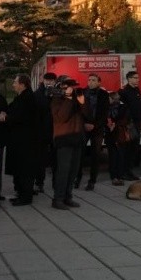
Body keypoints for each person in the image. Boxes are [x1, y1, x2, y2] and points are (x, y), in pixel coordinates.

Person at [51, 77, 89, 209]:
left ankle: (68, 196)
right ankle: (58, 199)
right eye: (70, 86)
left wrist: (82, 102)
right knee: (63, 170)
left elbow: (87, 114)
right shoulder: (57, 99)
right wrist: (67, 98)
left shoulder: (76, 98)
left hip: (77, 138)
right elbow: (61, 117)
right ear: (62, 87)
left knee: (73, 170)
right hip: (64, 139)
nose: (73, 89)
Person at [2, 74, 39, 206]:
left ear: (22, 84)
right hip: (19, 140)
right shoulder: (21, 97)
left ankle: (25, 197)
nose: (13, 84)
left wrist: (6, 118)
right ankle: (21, 193)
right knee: (19, 169)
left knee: (25, 170)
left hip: (25, 141)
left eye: (15, 82)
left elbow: (21, 117)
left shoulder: (27, 98)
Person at [75, 73, 108, 191]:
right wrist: (84, 124)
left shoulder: (104, 95)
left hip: (97, 129)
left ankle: (92, 181)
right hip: (84, 128)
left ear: (99, 82)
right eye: (89, 80)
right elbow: (78, 111)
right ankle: (77, 178)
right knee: (79, 154)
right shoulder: (81, 93)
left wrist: (94, 125)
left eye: (93, 80)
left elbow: (105, 113)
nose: (91, 82)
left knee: (96, 155)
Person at [33, 72, 57, 194]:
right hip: (41, 131)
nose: (49, 83)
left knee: (55, 159)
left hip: (56, 131)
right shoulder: (37, 94)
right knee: (40, 159)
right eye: (47, 80)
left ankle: (56, 182)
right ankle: (39, 182)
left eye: (52, 81)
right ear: (43, 81)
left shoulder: (57, 94)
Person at [118, 71, 141, 180]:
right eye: (135, 78)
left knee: (134, 149)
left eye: (138, 77)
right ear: (129, 79)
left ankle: (129, 171)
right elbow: (122, 109)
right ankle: (123, 172)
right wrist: (127, 122)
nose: (138, 79)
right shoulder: (123, 91)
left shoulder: (137, 90)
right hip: (128, 125)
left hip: (136, 124)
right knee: (126, 149)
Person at [106, 91, 128, 186]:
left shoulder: (123, 107)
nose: (108, 100)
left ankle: (120, 176)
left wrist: (115, 123)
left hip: (119, 134)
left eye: (110, 99)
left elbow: (126, 119)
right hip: (110, 134)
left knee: (120, 155)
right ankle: (114, 176)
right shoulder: (107, 107)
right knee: (112, 156)